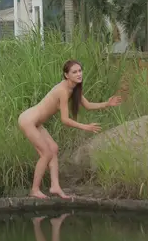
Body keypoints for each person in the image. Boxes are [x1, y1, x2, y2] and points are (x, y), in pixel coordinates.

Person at [18, 59, 122, 199]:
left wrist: (107, 104)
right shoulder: (63, 90)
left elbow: (88, 105)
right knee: (46, 153)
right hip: (28, 121)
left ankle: (55, 186)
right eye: (74, 72)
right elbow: (65, 120)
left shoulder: (73, 88)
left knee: (53, 148)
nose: (79, 74)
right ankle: (34, 190)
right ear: (67, 75)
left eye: (80, 71)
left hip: (36, 122)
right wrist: (85, 127)